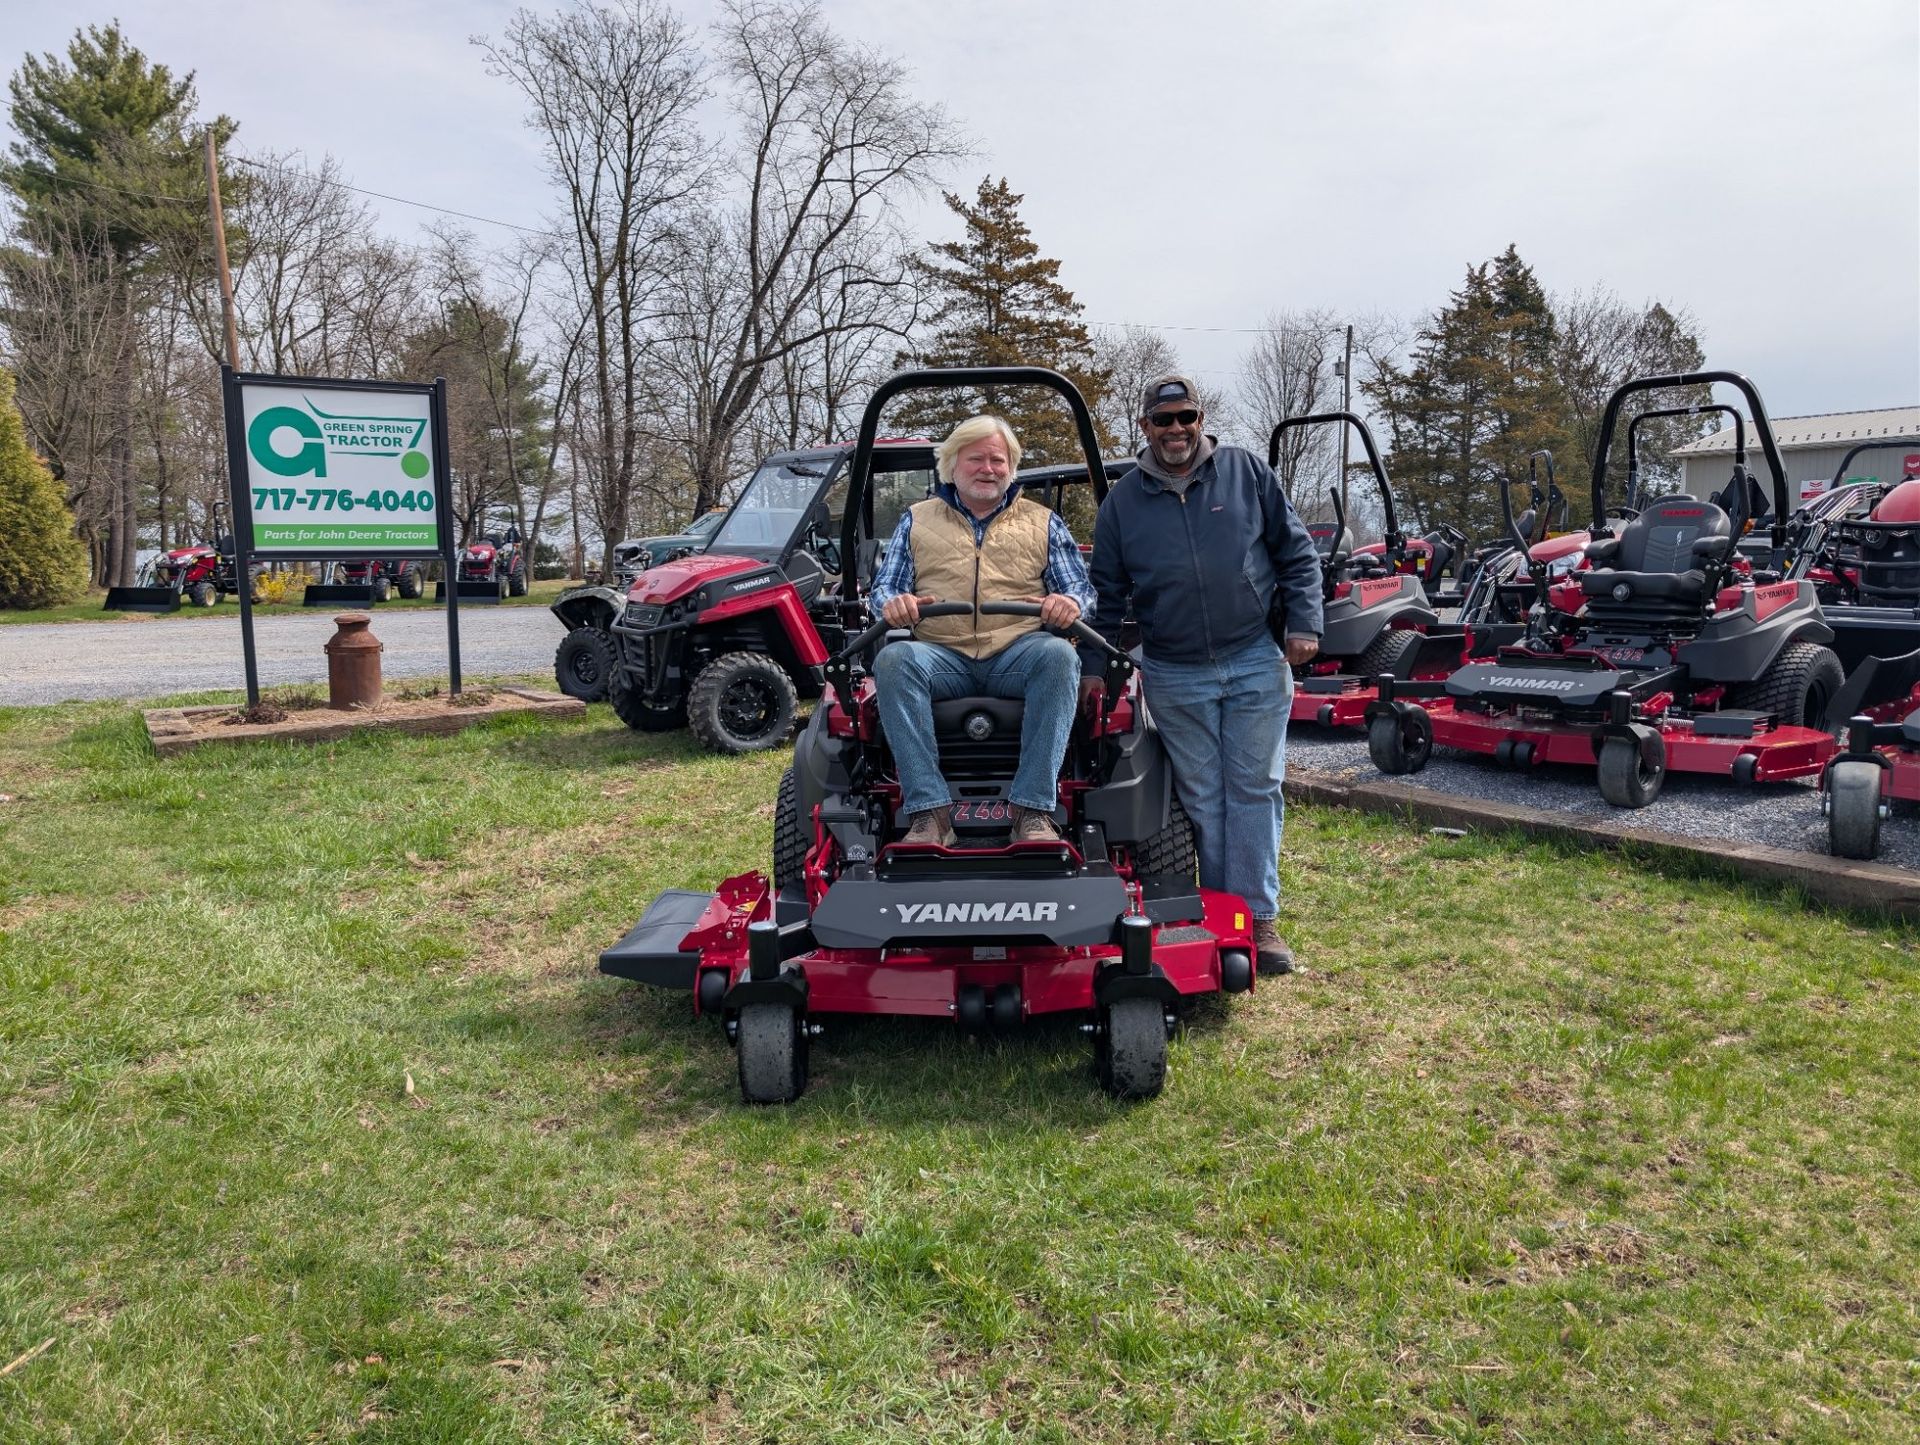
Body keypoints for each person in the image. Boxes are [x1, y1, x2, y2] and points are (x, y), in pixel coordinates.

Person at [1085, 375, 1324, 974]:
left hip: (1253, 658)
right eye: (1163, 420)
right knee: (1204, 798)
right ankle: (1223, 913)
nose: (1176, 429)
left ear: (1200, 419)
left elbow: (1296, 553)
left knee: (1255, 788)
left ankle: (1257, 918)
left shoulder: (1246, 473)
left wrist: (1304, 623)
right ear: (1145, 427)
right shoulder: (1122, 503)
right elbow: (1106, 596)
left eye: (1186, 417)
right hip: (1174, 669)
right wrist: (1094, 670)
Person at [867, 415, 1097, 846]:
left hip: (1017, 651)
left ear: (1011, 468)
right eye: (976, 459)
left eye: (998, 460)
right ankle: (930, 814)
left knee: (1060, 655)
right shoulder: (916, 519)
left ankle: (1032, 811)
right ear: (952, 464)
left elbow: (1079, 590)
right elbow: (885, 589)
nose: (988, 469)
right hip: (941, 654)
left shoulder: (1043, 521)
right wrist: (893, 603)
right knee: (894, 659)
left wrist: (1068, 603)